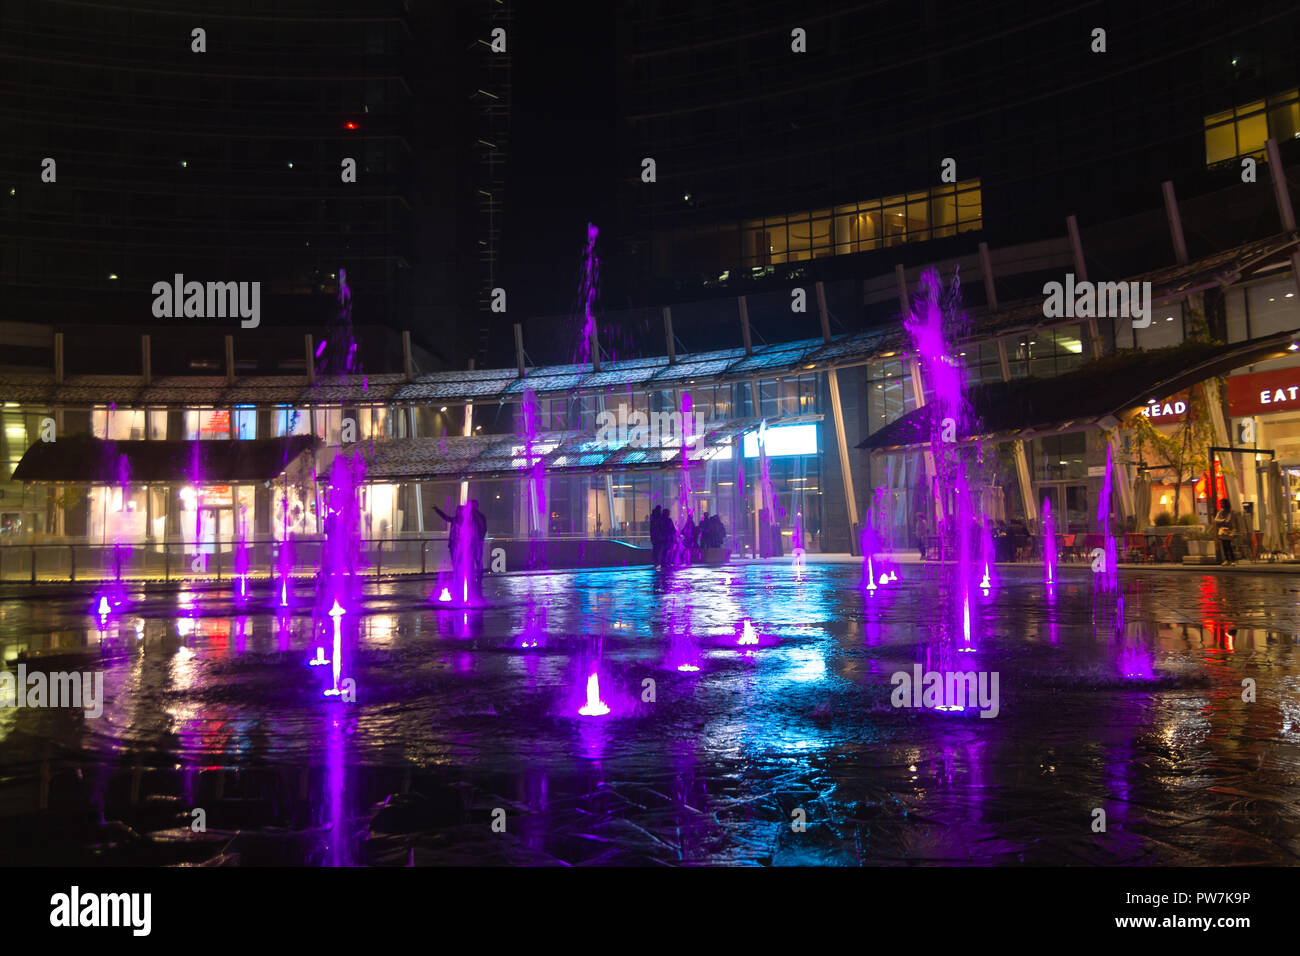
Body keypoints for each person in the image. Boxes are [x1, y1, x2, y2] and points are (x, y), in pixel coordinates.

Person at [1214, 498, 1237, 565]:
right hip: (1223, 531)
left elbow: (1228, 520)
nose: (1221, 504)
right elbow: (1216, 520)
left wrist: (1221, 521)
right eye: (1220, 503)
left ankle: (1232, 560)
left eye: (1222, 503)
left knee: (1228, 545)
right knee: (1224, 545)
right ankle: (1227, 559)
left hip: (1229, 530)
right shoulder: (1220, 512)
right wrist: (1223, 520)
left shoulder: (1230, 512)